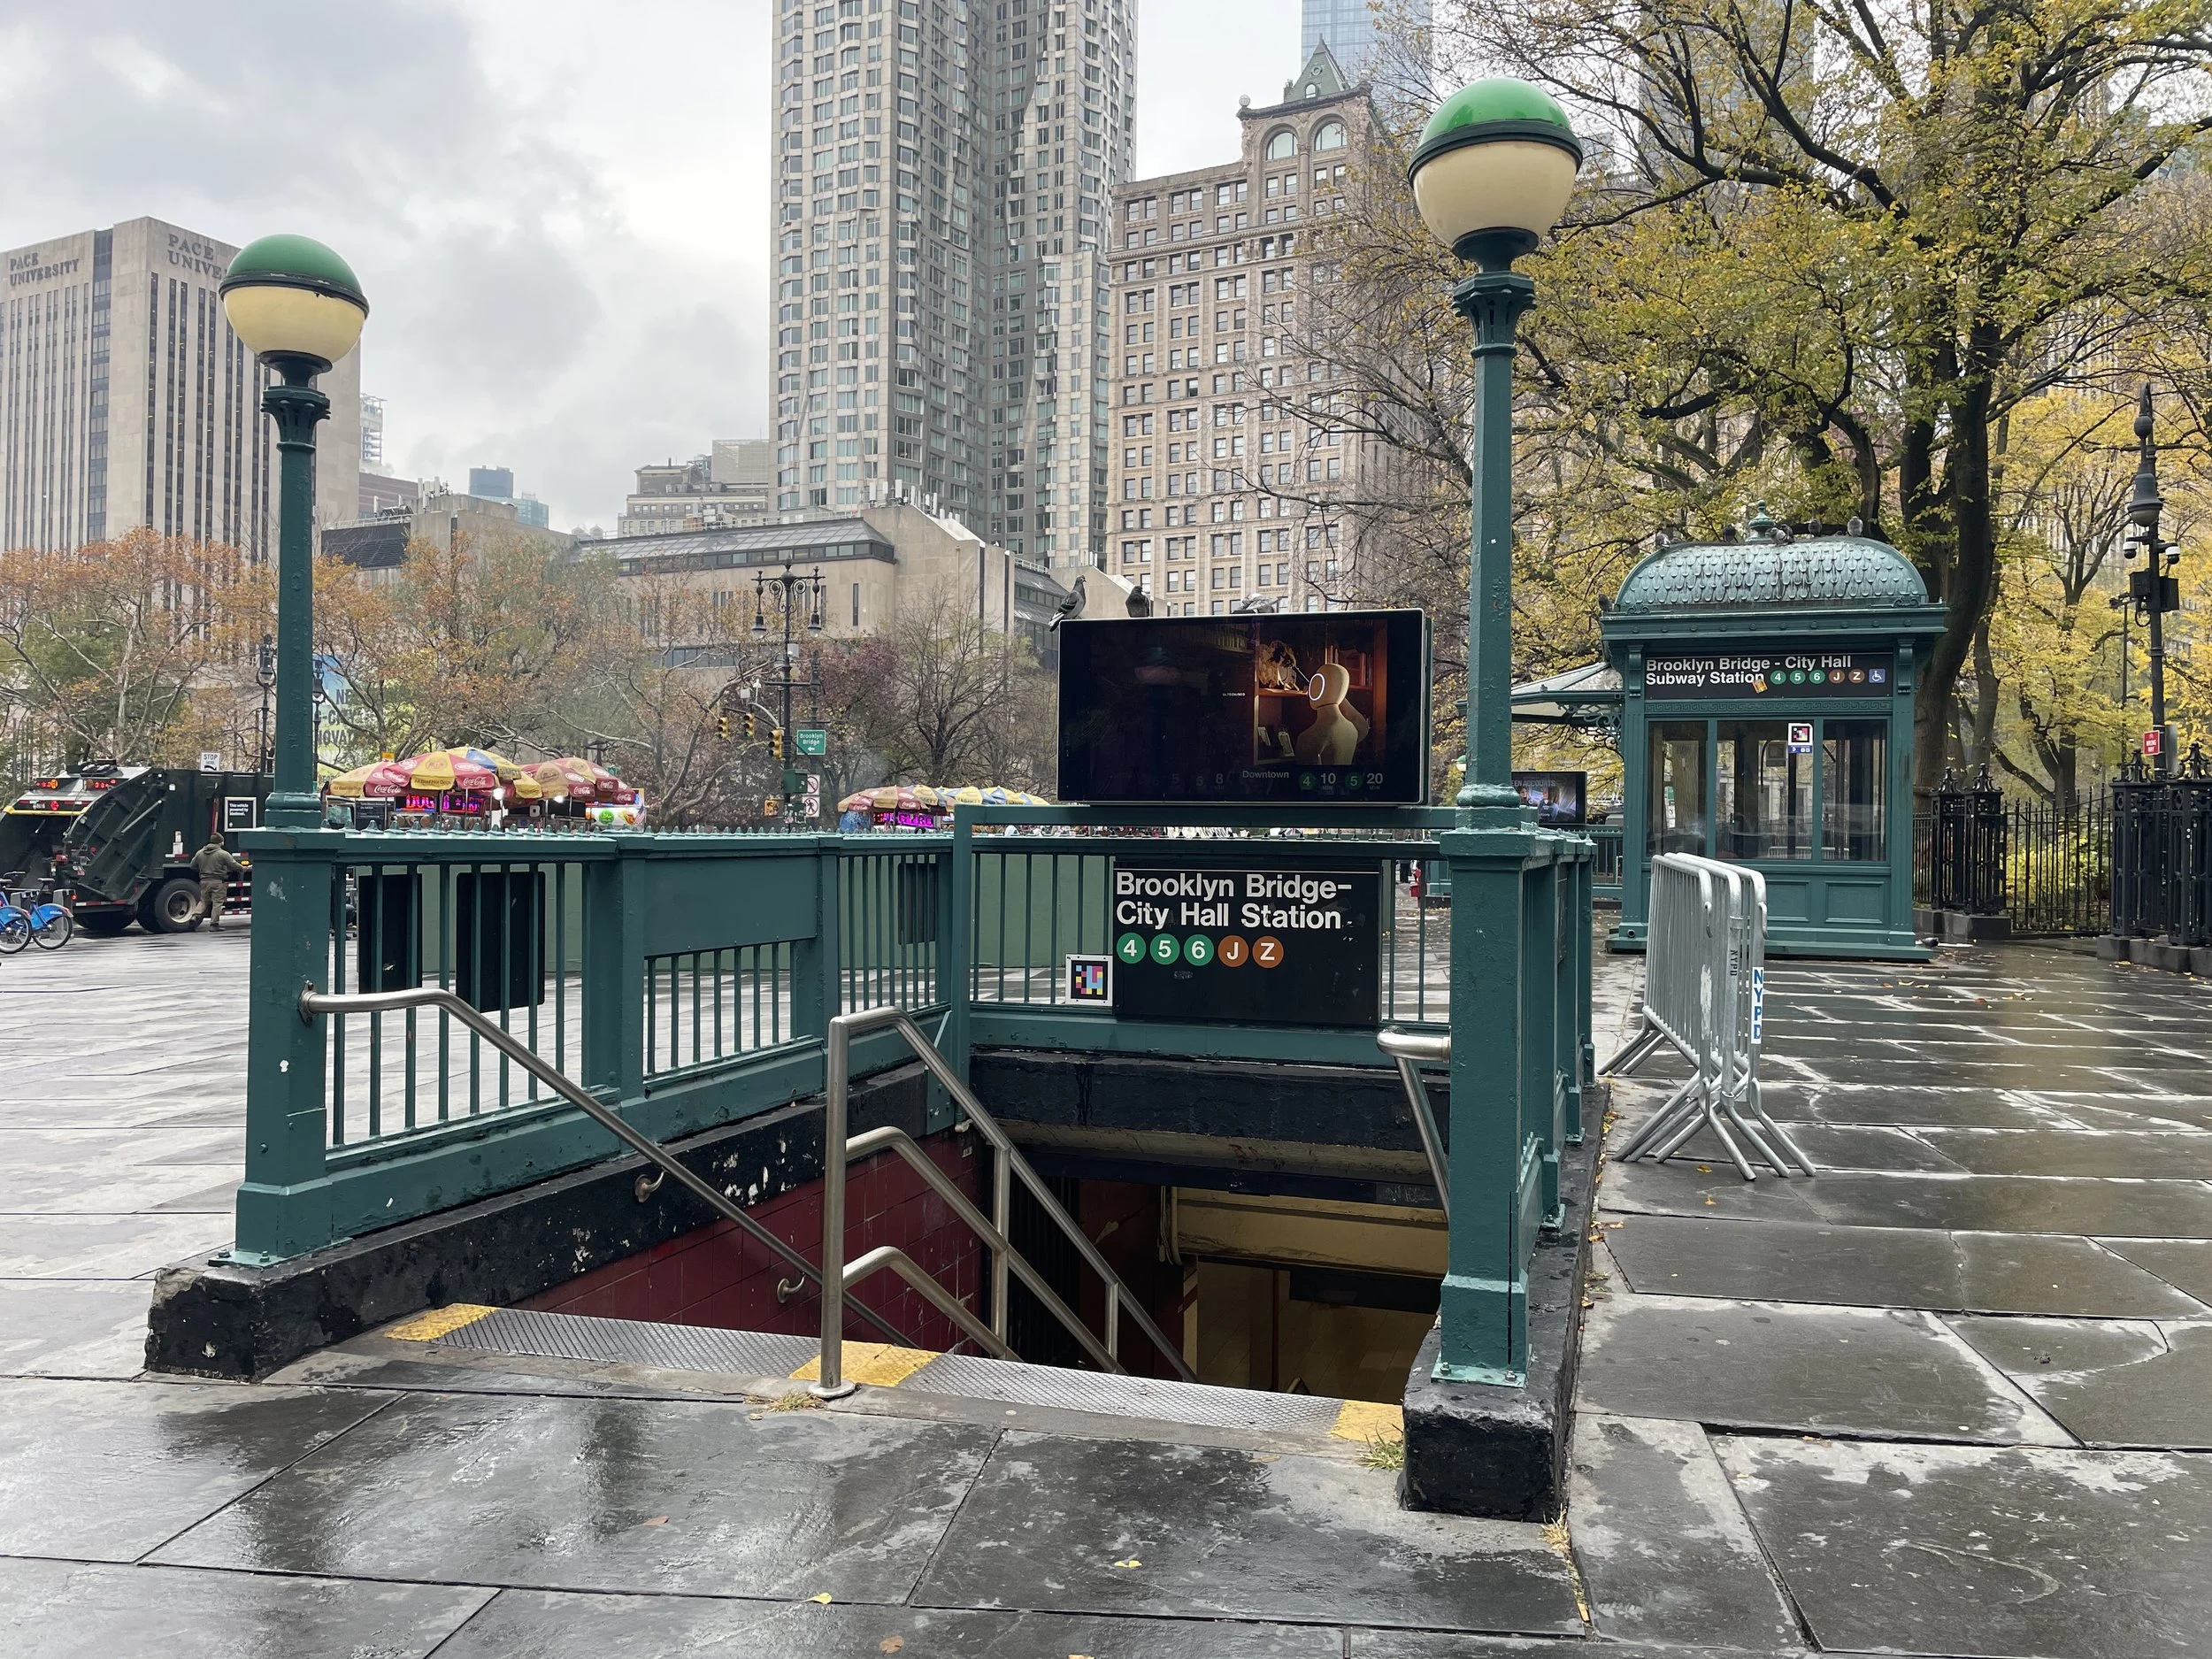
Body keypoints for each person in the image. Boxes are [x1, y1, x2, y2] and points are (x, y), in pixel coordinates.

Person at [189, 832, 247, 931]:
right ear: (221, 842)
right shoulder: (223, 854)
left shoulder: (200, 853)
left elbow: (192, 865)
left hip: (204, 881)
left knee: (203, 901)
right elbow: (234, 865)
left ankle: (194, 916)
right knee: (217, 903)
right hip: (218, 882)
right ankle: (214, 925)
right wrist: (244, 868)